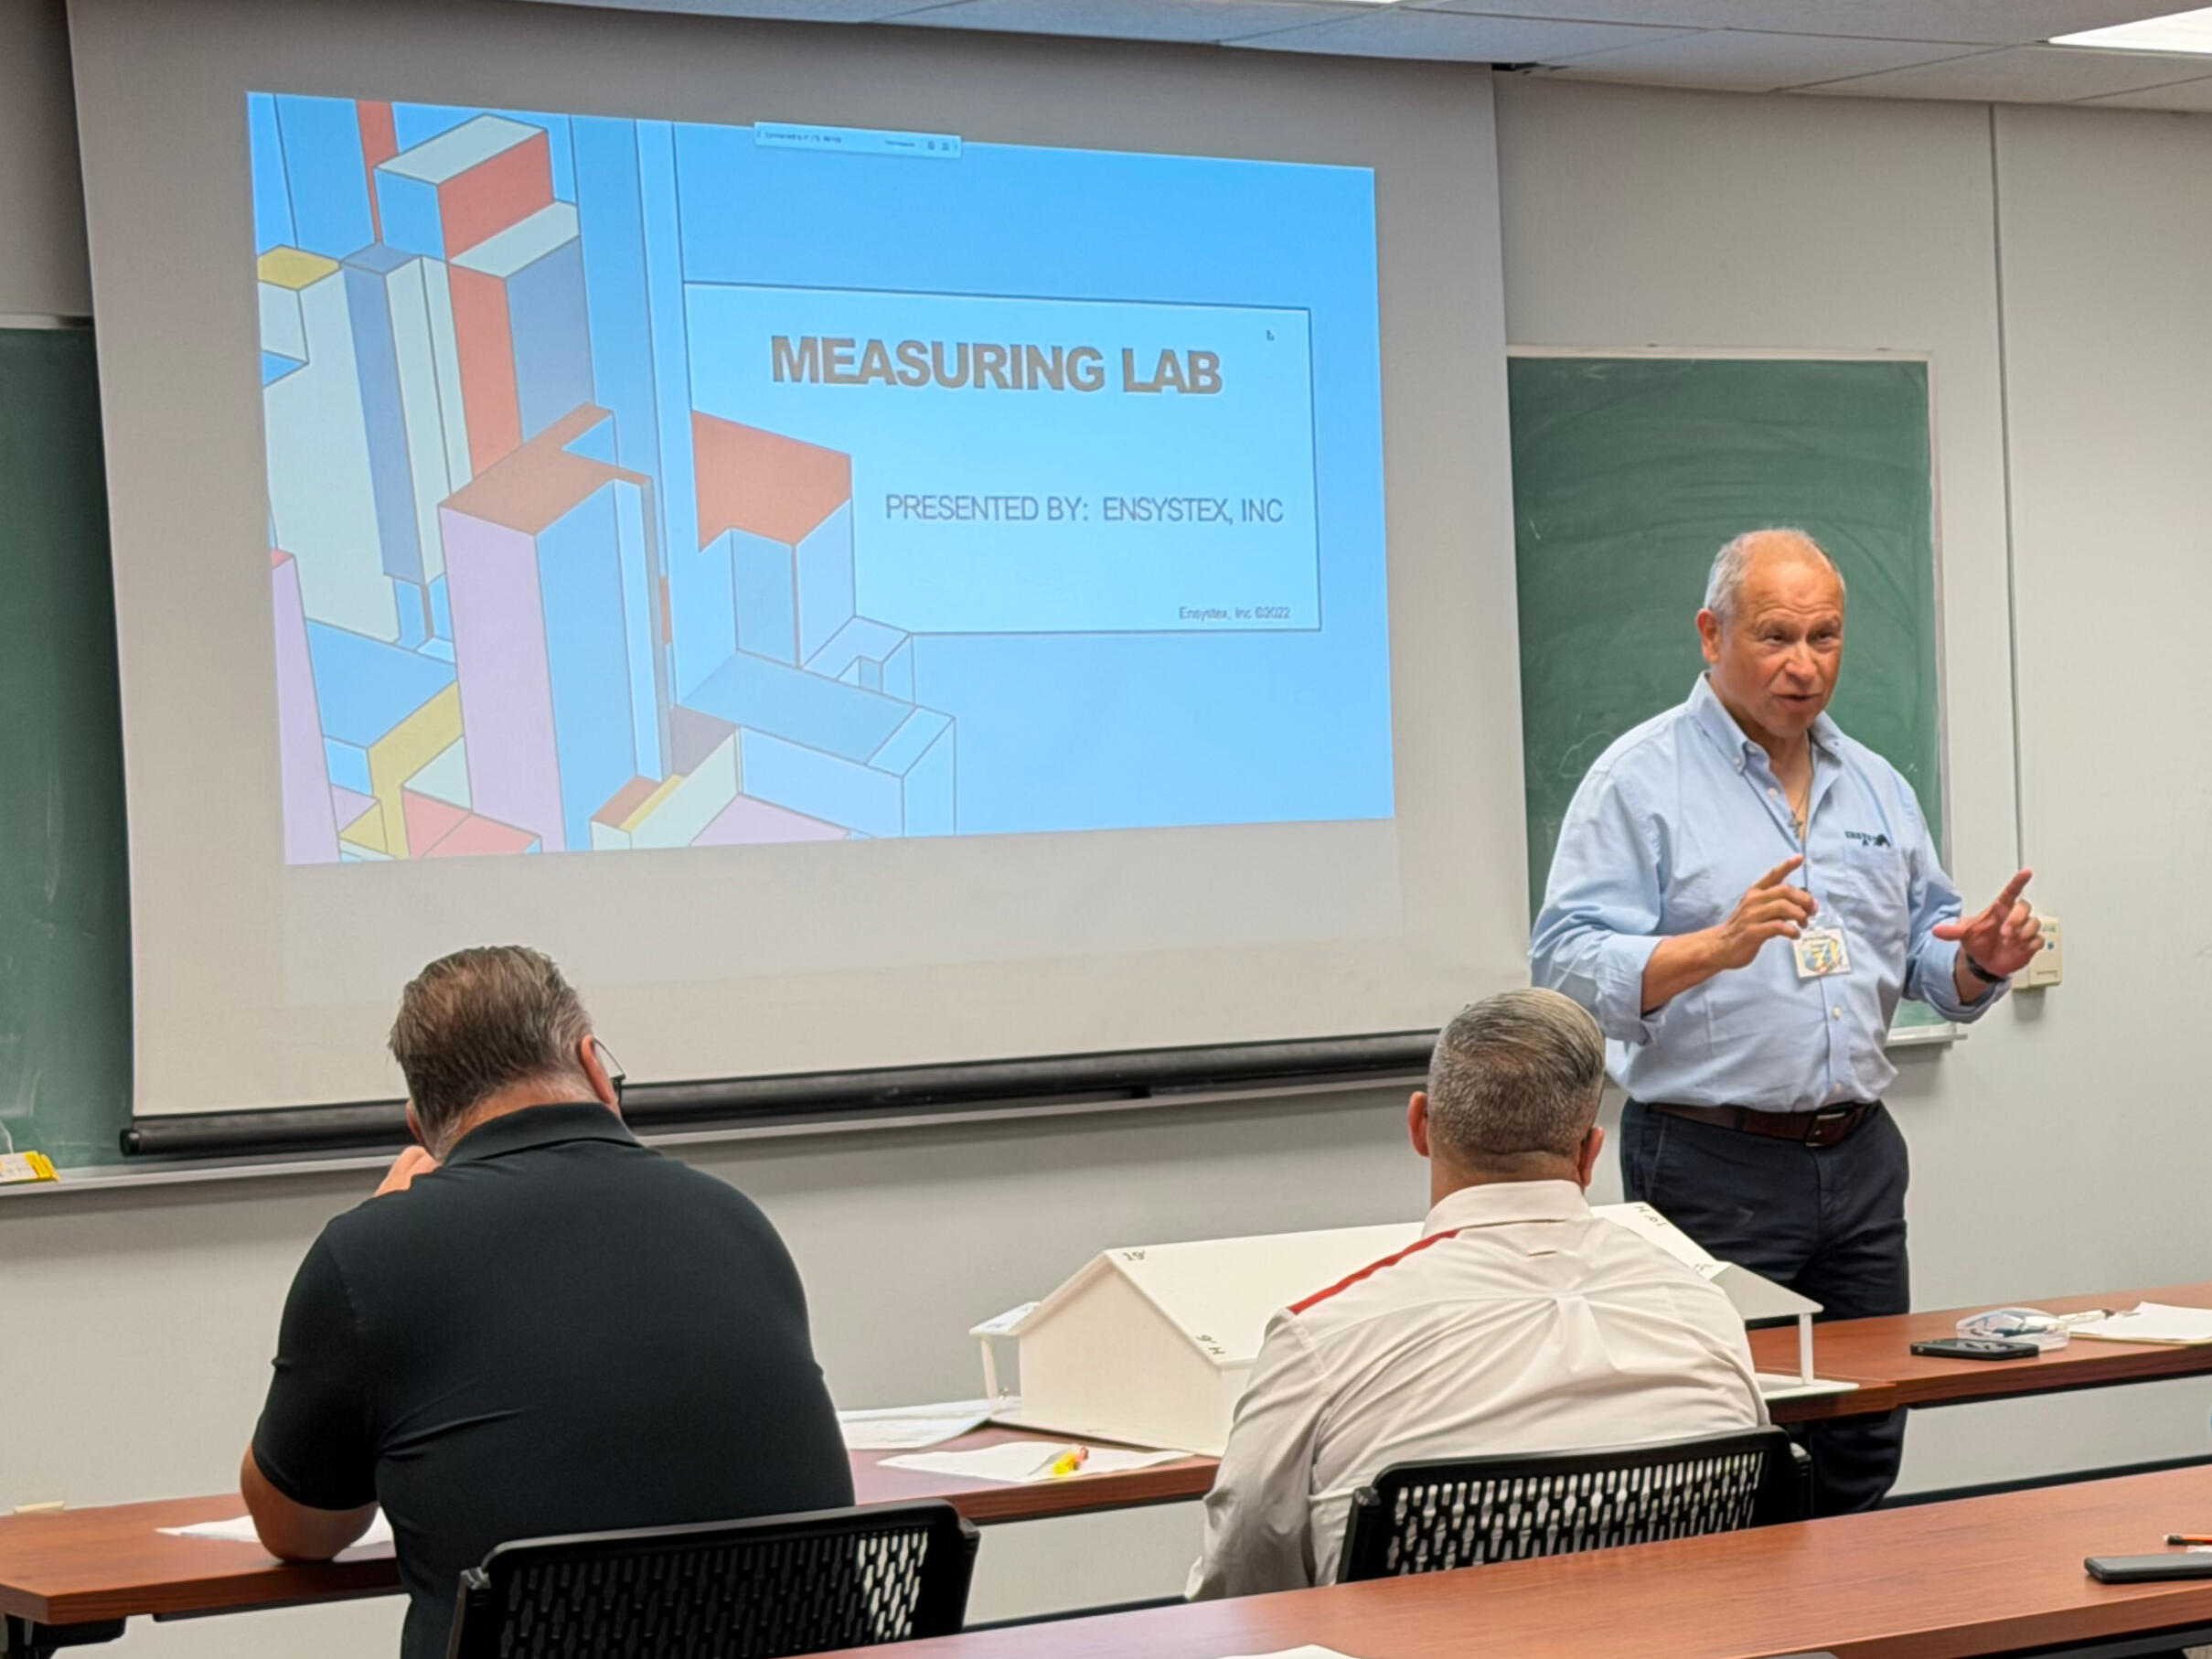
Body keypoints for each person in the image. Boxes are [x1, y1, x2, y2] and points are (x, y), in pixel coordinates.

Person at [1530, 528, 2042, 1515]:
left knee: (1863, 1432)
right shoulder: (1637, 781)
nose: (1803, 665)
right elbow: (1560, 965)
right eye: (1775, 636)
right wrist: (1709, 949)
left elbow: (1923, 956)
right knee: (1727, 1439)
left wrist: (1978, 956)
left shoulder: (1877, 785)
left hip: (1856, 1155)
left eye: (1825, 636)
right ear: (1709, 633)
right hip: (1711, 1159)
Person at [240, 946, 852, 1659]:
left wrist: (375, 1240)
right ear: (594, 1065)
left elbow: (299, 1532)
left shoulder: (371, 1252)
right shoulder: (734, 1216)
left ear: (420, 1125)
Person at [1187, 989, 1767, 1600]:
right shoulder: (1700, 1308)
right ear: (1589, 1152)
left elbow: (1240, 1579)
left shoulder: (1323, 1339)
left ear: (1419, 1125)